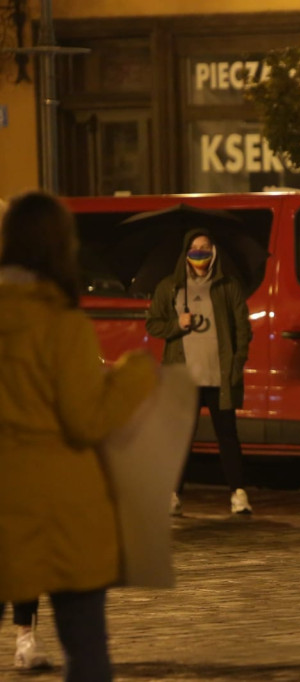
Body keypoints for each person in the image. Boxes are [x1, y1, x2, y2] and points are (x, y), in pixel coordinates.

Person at [0, 190, 157, 681]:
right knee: (86, 650)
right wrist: (135, 375)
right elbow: (85, 419)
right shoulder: (61, 325)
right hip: (61, 511)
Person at [147, 228, 253, 516]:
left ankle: (238, 494)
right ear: (185, 252)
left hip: (219, 376)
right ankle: (173, 494)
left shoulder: (227, 286)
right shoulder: (170, 287)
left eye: (205, 247)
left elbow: (242, 327)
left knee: (227, 435)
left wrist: (236, 362)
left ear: (214, 251)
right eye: (194, 248)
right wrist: (176, 324)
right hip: (185, 377)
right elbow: (153, 324)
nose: (200, 253)